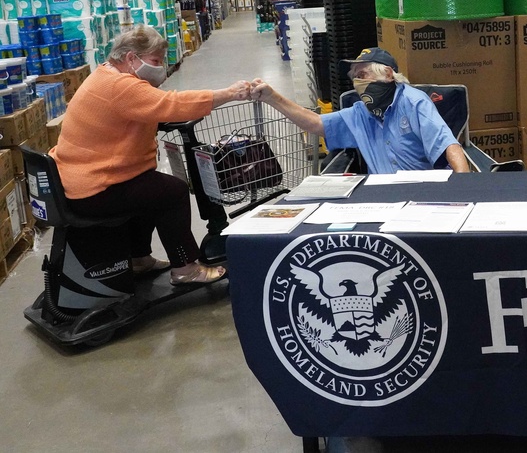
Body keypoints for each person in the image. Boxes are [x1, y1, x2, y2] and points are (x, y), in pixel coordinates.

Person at [50, 25, 251, 284]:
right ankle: (186, 269)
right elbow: (169, 104)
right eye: (155, 61)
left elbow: (140, 111)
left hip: (79, 178)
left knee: (147, 185)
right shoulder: (120, 86)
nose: (160, 67)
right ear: (131, 58)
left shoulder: (104, 75)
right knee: (173, 192)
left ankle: (138, 259)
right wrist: (229, 94)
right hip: (93, 187)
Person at [249, 47, 469, 174]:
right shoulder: (360, 113)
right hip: (383, 200)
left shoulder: (414, 102)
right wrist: (272, 97)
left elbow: (448, 145)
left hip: (424, 195)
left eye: (362, 75)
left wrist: (462, 188)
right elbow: (315, 123)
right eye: (354, 77)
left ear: (388, 74)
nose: (357, 83)